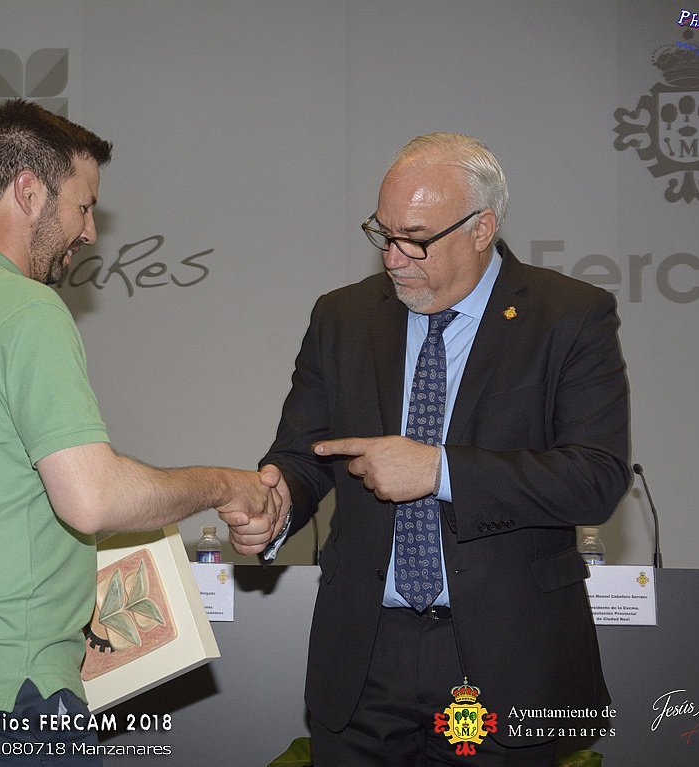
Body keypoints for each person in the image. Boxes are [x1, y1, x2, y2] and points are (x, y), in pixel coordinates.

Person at [0, 100, 280, 766]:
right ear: (29, 191)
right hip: (8, 686)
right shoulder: (28, 311)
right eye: (83, 206)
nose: (89, 230)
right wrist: (222, 484)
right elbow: (90, 498)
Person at [236, 133, 630, 766]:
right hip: (365, 657)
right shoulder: (342, 316)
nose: (393, 258)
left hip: (505, 655)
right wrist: (277, 502)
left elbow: (596, 477)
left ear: (481, 229)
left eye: (415, 238)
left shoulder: (568, 316)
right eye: (382, 233)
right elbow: (307, 454)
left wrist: (440, 470)